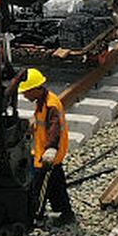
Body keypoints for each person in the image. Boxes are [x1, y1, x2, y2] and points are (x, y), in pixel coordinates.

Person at [19, 69, 75, 226]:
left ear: (36, 89)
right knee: (56, 186)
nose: (24, 95)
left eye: (26, 92)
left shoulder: (51, 105)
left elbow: (54, 129)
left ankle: (35, 218)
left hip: (48, 156)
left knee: (39, 189)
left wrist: (51, 149)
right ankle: (66, 214)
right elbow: (42, 124)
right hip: (44, 153)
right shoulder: (42, 102)